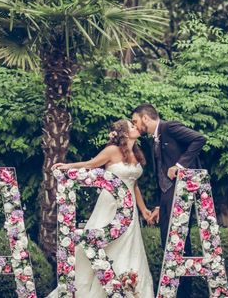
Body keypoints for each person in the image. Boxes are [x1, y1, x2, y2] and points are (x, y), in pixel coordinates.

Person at [48, 119, 156, 298]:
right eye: (131, 126)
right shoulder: (112, 151)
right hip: (110, 205)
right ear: (123, 133)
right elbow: (91, 164)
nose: (136, 127)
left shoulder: (136, 153)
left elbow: (134, 185)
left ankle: (130, 289)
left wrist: (143, 209)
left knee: (129, 247)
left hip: (129, 210)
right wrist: (68, 166)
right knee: (103, 245)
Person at [131, 103, 206, 298]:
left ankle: (183, 294)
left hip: (183, 193)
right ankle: (176, 292)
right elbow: (161, 177)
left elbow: (199, 139)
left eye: (135, 121)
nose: (136, 125)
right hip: (167, 197)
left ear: (145, 118)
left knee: (179, 243)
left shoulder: (169, 128)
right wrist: (158, 204)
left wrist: (180, 165)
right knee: (169, 243)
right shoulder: (153, 140)